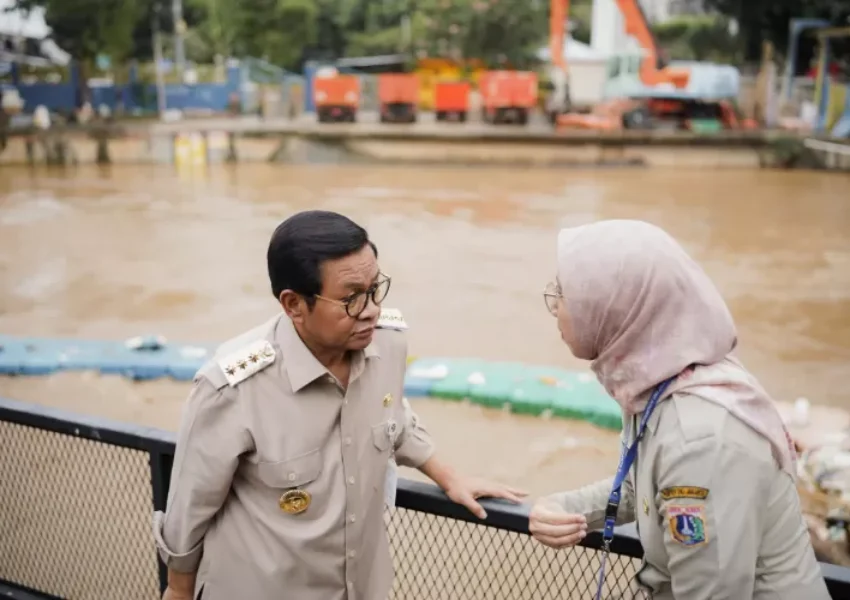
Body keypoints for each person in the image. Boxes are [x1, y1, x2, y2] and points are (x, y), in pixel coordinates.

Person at [153, 210, 527, 600]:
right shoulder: (232, 388)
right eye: (350, 298)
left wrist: (450, 478)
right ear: (294, 304)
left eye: (375, 289)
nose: (371, 310)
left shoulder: (387, 342)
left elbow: (393, 417)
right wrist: (178, 591)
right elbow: (189, 507)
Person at [528, 220, 830, 599]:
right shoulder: (658, 384)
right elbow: (643, 487)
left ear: (613, 306)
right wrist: (564, 508)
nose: (555, 305)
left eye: (564, 292)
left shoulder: (699, 441)